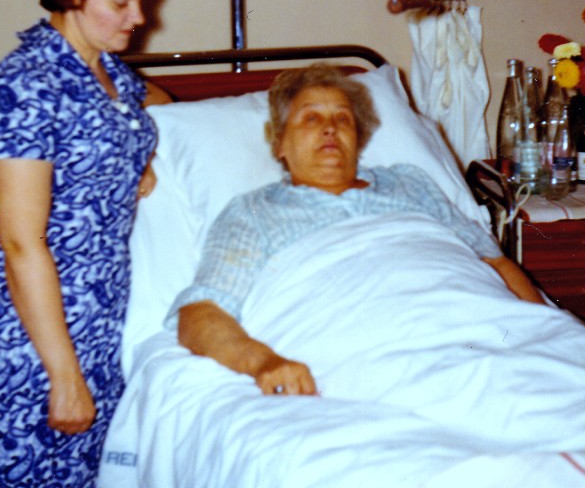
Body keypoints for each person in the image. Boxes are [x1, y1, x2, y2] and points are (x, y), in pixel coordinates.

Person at [0, 0, 175, 487]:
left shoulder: (107, 71)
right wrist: (64, 375)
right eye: (121, 2)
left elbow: (159, 101)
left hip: (96, 320)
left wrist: (136, 158)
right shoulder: (25, 85)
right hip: (32, 339)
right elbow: (20, 244)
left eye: (141, 0)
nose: (140, 17)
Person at [168, 64, 544, 398]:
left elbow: (494, 263)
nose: (330, 128)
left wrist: (543, 330)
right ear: (280, 142)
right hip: (364, 353)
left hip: (481, 331)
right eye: (311, 118)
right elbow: (201, 312)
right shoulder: (255, 212)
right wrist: (264, 362)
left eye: (343, 119)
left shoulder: (410, 183)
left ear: (358, 138)